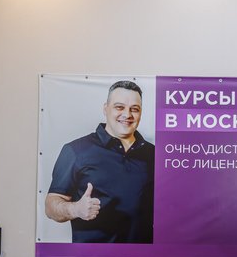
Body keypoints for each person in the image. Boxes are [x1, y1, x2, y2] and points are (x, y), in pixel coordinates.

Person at [44, 80, 154, 243]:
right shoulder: (76, 150)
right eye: (119, 107)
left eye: (134, 109)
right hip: (93, 256)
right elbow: (50, 206)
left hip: (142, 256)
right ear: (105, 108)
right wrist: (76, 209)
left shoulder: (154, 154)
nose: (127, 115)